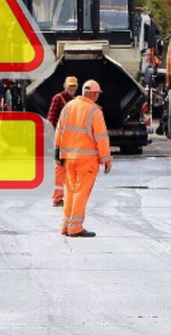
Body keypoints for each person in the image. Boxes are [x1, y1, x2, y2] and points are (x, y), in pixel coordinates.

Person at [54, 80, 112, 237]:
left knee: (71, 191)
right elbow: (101, 138)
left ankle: (65, 225)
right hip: (87, 160)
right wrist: (106, 159)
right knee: (81, 192)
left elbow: (59, 130)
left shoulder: (69, 106)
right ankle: (75, 226)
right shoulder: (94, 111)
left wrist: (58, 153)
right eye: (98, 94)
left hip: (69, 158)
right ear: (94, 94)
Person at [46, 76, 78, 206]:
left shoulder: (76, 101)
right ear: (65, 86)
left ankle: (69, 197)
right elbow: (51, 119)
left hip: (73, 140)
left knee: (71, 169)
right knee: (60, 169)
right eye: (70, 86)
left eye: (74, 86)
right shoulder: (58, 99)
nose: (72, 88)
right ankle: (57, 198)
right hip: (61, 140)